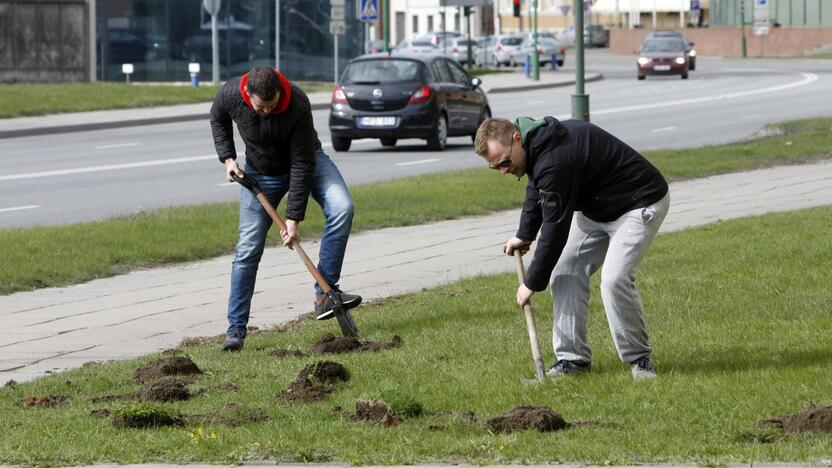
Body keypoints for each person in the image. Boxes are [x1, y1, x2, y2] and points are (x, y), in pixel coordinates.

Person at [474, 116, 670, 380]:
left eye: (505, 163)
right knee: (565, 270)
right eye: (495, 167)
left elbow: (555, 230)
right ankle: (572, 360)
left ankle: (640, 360)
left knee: (614, 280)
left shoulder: (557, 159)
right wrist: (524, 234)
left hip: (638, 203)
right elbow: (536, 187)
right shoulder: (537, 147)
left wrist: (531, 283)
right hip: (599, 208)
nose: (504, 171)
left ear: (517, 138)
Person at [210, 66, 361, 351]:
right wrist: (228, 158)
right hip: (260, 173)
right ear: (247, 95)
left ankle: (324, 294)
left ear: (280, 91)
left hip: (307, 161)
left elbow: (302, 166)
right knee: (247, 249)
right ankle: (235, 330)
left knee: (342, 207)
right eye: (260, 107)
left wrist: (293, 220)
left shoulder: (297, 103)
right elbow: (217, 118)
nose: (267, 111)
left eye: (272, 105)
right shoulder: (231, 93)